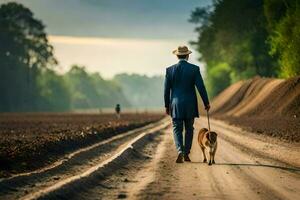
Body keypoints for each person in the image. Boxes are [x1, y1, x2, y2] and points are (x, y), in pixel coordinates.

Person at [164, 45, 210, 163]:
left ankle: (180, 150)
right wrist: (206, 102)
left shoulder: (169, 70)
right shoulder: (194, 69)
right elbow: (201, 87)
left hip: (176, 105)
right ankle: (186, 153)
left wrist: (167, 105)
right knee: (189, 129)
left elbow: (166, 90)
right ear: (188, 56)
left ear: (177, 56)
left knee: (177, 129)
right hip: (190, 104)